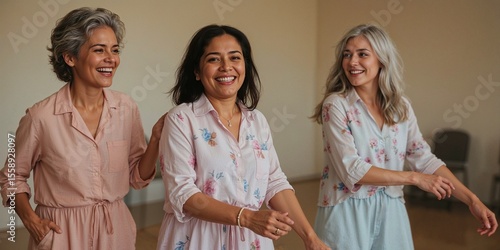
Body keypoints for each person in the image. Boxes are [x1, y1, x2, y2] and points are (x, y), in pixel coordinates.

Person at [311, 24, 498, 249]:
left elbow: (425, 160)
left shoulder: (401, 107)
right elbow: (351, 169)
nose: (352, 62)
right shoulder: (336, 105)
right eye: (347, 55)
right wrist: (414, 178)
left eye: (362, 54)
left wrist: (472, 200)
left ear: (381, 59)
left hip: (392, 209)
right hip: (346, 209)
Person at [0, 7, 165, 250]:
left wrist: (155, 141)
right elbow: (11, 176)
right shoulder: (40, 117)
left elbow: (137, 179)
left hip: (115, 231)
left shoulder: (126, 108)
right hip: (62, 233)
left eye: (115, 49)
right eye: (99, 50)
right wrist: (31, 221)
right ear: (70, 57)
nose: (111, 58)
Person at [156, 24, 330, 250]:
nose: (226, 67)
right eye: (213, 59)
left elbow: (274, 181)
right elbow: (182, 193)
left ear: (245, 66)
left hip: (251, 239)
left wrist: (310, 238)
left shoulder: (257, 121)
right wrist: (246, 218)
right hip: (198, 239)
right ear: (197, 71)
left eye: (234, 58)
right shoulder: (181, 119)